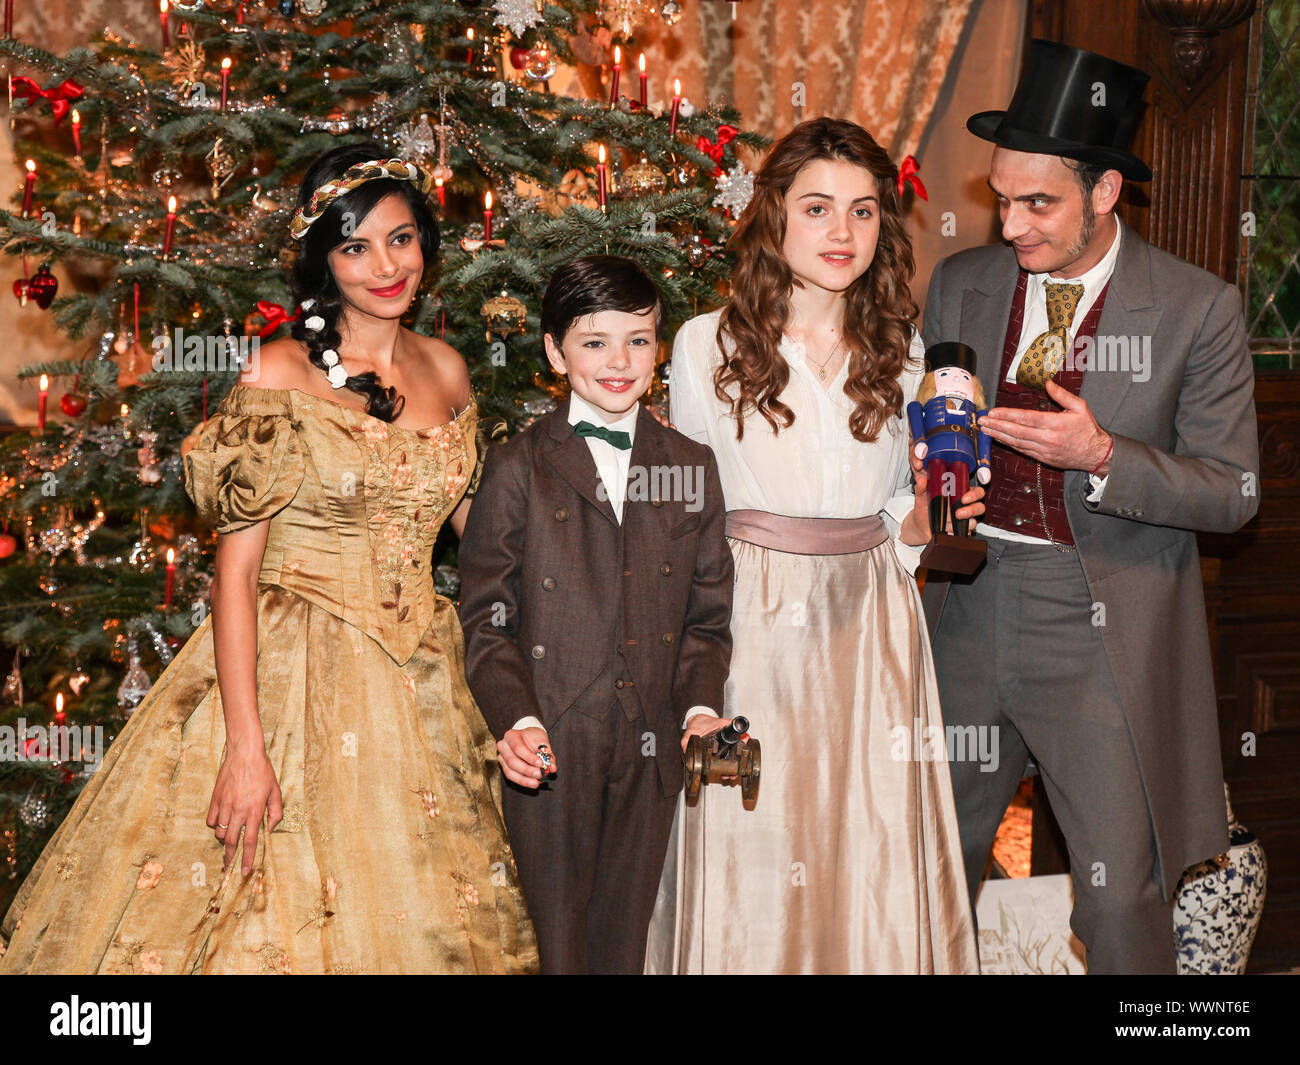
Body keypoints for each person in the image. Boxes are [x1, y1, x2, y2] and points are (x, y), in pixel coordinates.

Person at [0, 142, 538, 974]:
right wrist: (245, 747)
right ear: (325, 262)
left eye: (400, 238)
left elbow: (483, 542)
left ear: (426, 245)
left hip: (426, 678)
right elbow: (236, 576)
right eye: (355, 247)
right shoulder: (278, 372)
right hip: (293, 680)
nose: (384, 265)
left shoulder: (450, 371)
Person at [921, 40, 1260, 973]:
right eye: (1003, 197)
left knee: (1119, 898)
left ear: (1106, 191)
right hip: (967, 609)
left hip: (1102, 619)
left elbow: (1233, 492)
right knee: (928, 867)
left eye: (1040, 203)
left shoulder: (1199, 310)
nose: (1013, 224)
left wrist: (1105, 454)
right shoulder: (961, 282)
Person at [647, 117, 983, 974]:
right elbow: (685, 518)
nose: (843, 233)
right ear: (774, 217)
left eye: (865, 212)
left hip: (873, 624)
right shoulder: (702, 345)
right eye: (819, 208)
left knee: (866, 842)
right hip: (750, 623)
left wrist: (927, 522)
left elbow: (902, 516)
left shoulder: (906, 357)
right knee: (754, 840)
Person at [456, 255, 735, 975]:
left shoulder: (691, 466)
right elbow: (486, 614)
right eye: (594, 342)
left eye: (638, 341)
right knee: (554, 945)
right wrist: (516, 719)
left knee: (622, 942)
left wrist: (700, 708)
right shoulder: (518, 465)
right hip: (550, 744)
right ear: (554, 350)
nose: (619, 362)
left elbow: (707, 618)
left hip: (650, 746)